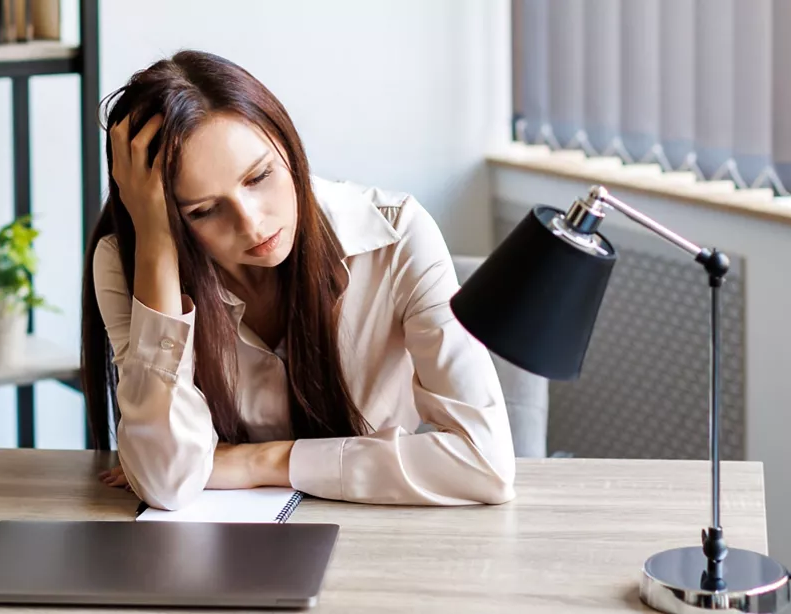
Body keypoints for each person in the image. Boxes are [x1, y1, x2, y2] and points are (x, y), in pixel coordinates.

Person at [82, 50, 516, 511]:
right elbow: (165, 482)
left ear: (286, 143)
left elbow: (484, 464)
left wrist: (256, 463)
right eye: (203, 211)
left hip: (380, 532)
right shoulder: (129, 263)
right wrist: (154, 242)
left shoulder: (397, 236)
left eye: (259, 176)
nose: (250, 224)